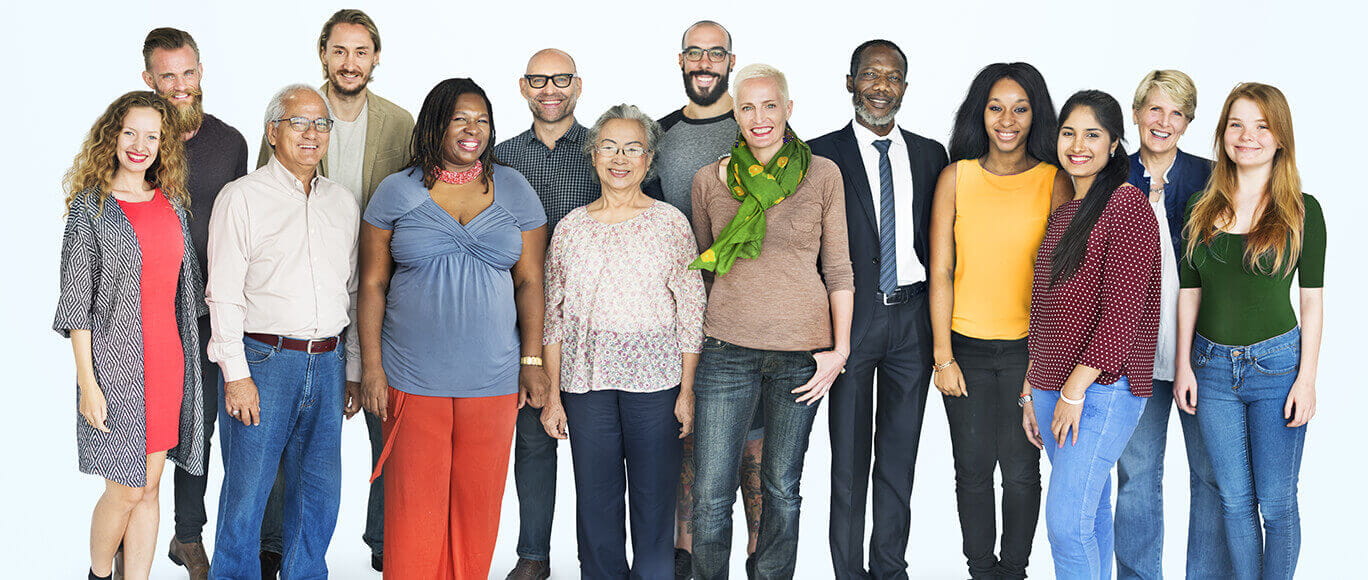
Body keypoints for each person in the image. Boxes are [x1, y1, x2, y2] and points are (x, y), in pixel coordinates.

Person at [358, 78, 548, 580]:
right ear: (435, 124)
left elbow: (530, 281)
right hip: (411, 376)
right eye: (460, 119)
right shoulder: (396, 191)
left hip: (493, 376)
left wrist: (532, 362)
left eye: (482, 120)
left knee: (477, 506)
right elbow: (373, 284)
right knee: (413, 508)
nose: (472, 130)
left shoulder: (514, 189)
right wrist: (372, 368)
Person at [247, 13, 414, 574]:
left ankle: (385, 544)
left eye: (361, 51)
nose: (349, 62)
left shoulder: (399, 125)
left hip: (379, 297)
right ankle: (272, 547)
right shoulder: (292, 110)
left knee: (384, 422)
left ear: (375, 57)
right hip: (295, 309)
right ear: (323, 53)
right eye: (339, 50)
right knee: (276, 443)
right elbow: (260, 206)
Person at [689, 63, 854, 580]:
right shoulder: (708, 180)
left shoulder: (823, 173)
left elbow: (839, 269)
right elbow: (704, 268)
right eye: (747, 107)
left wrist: (840, 349)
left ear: (788, 108)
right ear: (735, 114)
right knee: (712, 493)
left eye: (769, 105)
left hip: (801, 356)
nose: (759, 117)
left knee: (782, 487)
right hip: (725, 350)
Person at [538, 103, 707, 579]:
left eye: (633, 148)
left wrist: (687, 390)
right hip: (583, 384)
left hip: (656, 384)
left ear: (649, 160)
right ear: (593, 156)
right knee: (595, 499)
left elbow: (691, 310)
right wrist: (553, 395)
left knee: (656, 501)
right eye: (609, 146)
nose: (620, 157)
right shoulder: (570, 230)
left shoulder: (670, 223)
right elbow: (553, 318)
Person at [206, 84, 360, 580]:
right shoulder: (242, 198)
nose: (312, 133)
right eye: (299, 122)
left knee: (318, 492)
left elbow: (351, 291)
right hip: (265, 364)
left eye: (322, 124)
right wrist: (235, 374)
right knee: (247, 494)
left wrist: (352, 367)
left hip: (330, 362)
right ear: (273, 132)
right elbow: (223, 294)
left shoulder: (342, 202)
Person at [808, 39, 948, 580]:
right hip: (849, 325)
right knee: (847, 462)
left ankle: (889, 569)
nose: (880, 87)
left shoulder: (932, 154)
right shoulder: (818, 154)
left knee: (898, 457)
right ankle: (849, 573)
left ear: (905, 89)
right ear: (850, 82)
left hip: (912, 323)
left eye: (892, 78)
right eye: (870, 75)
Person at [1175, 82, 1324, 580]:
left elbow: (1312, 299)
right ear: (1222, 135)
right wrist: (1182, 369)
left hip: (1278, 367)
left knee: (1277, 505)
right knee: (1234, 503)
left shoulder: (1304, 211)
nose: (1248, 136)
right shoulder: (1199, 206)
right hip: (1211, 369)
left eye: (1262, 125)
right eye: (1236, 124)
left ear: (1280, 137)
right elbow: (1189, 292)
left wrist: (1307, 379)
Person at [926, 62, 1069, 580]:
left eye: (1020, 108)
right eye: (995, 107)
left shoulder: (1055, 182)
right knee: (972, 472)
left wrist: (1040, 364)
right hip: (963, 348)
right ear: (979, 114)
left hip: (1028, 351)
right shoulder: (955, 177)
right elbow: (940, 269)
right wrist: (942, 356)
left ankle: (1014, 571)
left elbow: (1059, 284)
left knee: (1022, 472)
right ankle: (981, 571)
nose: (1007, 120)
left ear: (1036, 116)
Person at [57, 90, 206, 580]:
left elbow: (185, 291)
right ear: (112, 136)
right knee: (123, 488)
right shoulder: (91, 209)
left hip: (169, 362)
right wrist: (88, 383)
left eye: (152, 136)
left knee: (150, 488)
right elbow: (76, 302)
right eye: (129, 133)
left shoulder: (173, 206)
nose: (139, 145)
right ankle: (100, 575)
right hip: (116, 366)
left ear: (164, 145)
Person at [1020, 89, 1161, 579]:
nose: (1077, 144)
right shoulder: (1064, 214)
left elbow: (1121, 314)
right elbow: (1046, 308)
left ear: (1115, 143)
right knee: (1089, 515)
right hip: (1050, 388)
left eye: (1092, 134)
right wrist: (1031, 387)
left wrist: (1073, 390)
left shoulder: (1127, 205)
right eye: (1068, 133)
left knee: (1065, 525)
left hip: (1099, 391)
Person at [650, 21, 767, 578]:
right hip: (685, 317)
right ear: (680, 60)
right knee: (689, 436)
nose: (704, 62)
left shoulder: (758, 131)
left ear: (730, 60)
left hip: (756, 317)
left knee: (756, 444)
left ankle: (760, 555)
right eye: (694, 52)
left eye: (714, 53)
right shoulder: (660, 135)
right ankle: (686, 558)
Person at [138, 28, 248, 579]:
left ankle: (188, 536)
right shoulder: (138, 140)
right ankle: (127, 536)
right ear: (149, 79)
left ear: (201, 71)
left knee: (197, 426)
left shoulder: (230, 142)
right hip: (145, 313)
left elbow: (239, 228)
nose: (180, 86)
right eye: (167, 76)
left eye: (188, 73)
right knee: (149, 428)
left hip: (205, 308)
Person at [1114, 70, 1229, 580]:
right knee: (1136, 475)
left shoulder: (1211, 178)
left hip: (1200, 353)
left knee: (1211, 475)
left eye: (1176, 113)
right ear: (1136, 112)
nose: (1163, 122)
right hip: (1130, 354)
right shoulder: (1109, 173)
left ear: (1188, 123)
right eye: (1154, 109)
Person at [493, 47, 597, 580]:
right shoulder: (503, 157)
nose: (549, 89)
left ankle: (597, 559)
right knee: (534, 441)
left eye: (560, 80)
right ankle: (533, 555)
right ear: (522, 86)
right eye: (538, 80)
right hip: (526, 317)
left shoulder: (607, 147)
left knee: (599, 447)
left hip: (600, 317)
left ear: (577, 85)